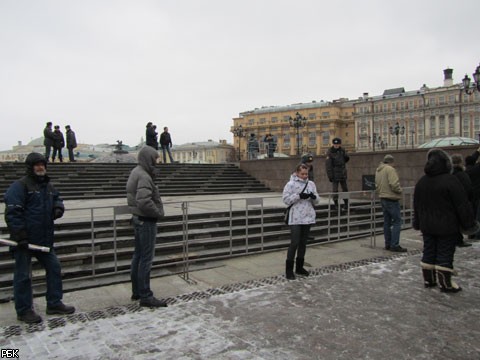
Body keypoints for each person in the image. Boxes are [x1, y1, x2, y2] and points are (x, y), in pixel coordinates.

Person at [4, 152, 75, 323]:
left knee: (54, 267)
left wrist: (58, 207)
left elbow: (58, 198)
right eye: (37, 165)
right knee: (23, 276)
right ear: (30, 167)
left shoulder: (48, 186)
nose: (40, 167)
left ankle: (54, 302)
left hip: (43, 240)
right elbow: (13, 212)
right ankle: (24, 310)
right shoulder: (20, 186)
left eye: (42, 164)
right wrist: (20, 235)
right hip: (24, 241)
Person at [413, 149, 479, 293]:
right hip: (447, 226)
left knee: (429, 250)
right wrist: (469, 224)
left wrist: (417, 223)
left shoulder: (422, 182)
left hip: (427, 226)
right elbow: (462, 205)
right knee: (445, 252)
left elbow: (416, 205)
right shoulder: (451, 181)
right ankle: (445, 283)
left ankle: (429, 279)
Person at [126, 146, 167, 307]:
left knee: (138, 256)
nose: (157, 162)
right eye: (155, 158)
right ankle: (145, 295)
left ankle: (137, 291)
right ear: (148, 158)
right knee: (146, 259)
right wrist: (157, 213)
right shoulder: (144, 175)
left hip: (138, 219)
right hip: (146, 220)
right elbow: (143, 201)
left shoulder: (137, 171)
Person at [282, 163, 319, 280]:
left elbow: (317, 200)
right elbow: (286, 199)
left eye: (306, 174)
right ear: (297, 173)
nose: (304, 176)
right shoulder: (290, 184)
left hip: (307, 217)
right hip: (296, 217)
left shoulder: (311, 184)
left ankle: (299, 267)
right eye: (302, 174)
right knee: (295, 242)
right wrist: (298, 196)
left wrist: (314, 197)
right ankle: (289, 270)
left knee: (303, 243)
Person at [375, 154, 406, 252]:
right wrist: (400, 190)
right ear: (391, 162)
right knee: (397, 222)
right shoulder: (390, 169)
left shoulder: (378, 170)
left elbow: (376, 184)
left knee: (387, 222)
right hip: (391, 198)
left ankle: (387, 244)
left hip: (383, 197)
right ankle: (394, 244)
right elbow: (394, 184)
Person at [451, 154, 473, 247]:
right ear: (460, 162)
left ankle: (454, 239)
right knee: (459, 221)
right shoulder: (463, 174)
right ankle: (459, 240)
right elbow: (468, 189)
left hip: (451, 201)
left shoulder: (449, 174)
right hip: (461, 201)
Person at [325, 137, 350, 211]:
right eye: (335, 144)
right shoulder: (330, 152)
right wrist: (330, 176)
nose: (336, 145)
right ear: (333, 144)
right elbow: (328, 165)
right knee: (335, 190)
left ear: (339, 144)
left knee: (345, 189)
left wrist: (346, 157)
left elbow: (346, 159)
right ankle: (336, 204)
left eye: (338, 144)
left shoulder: (342, 150)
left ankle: (346, 204)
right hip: (334, 173)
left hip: (342, 172)